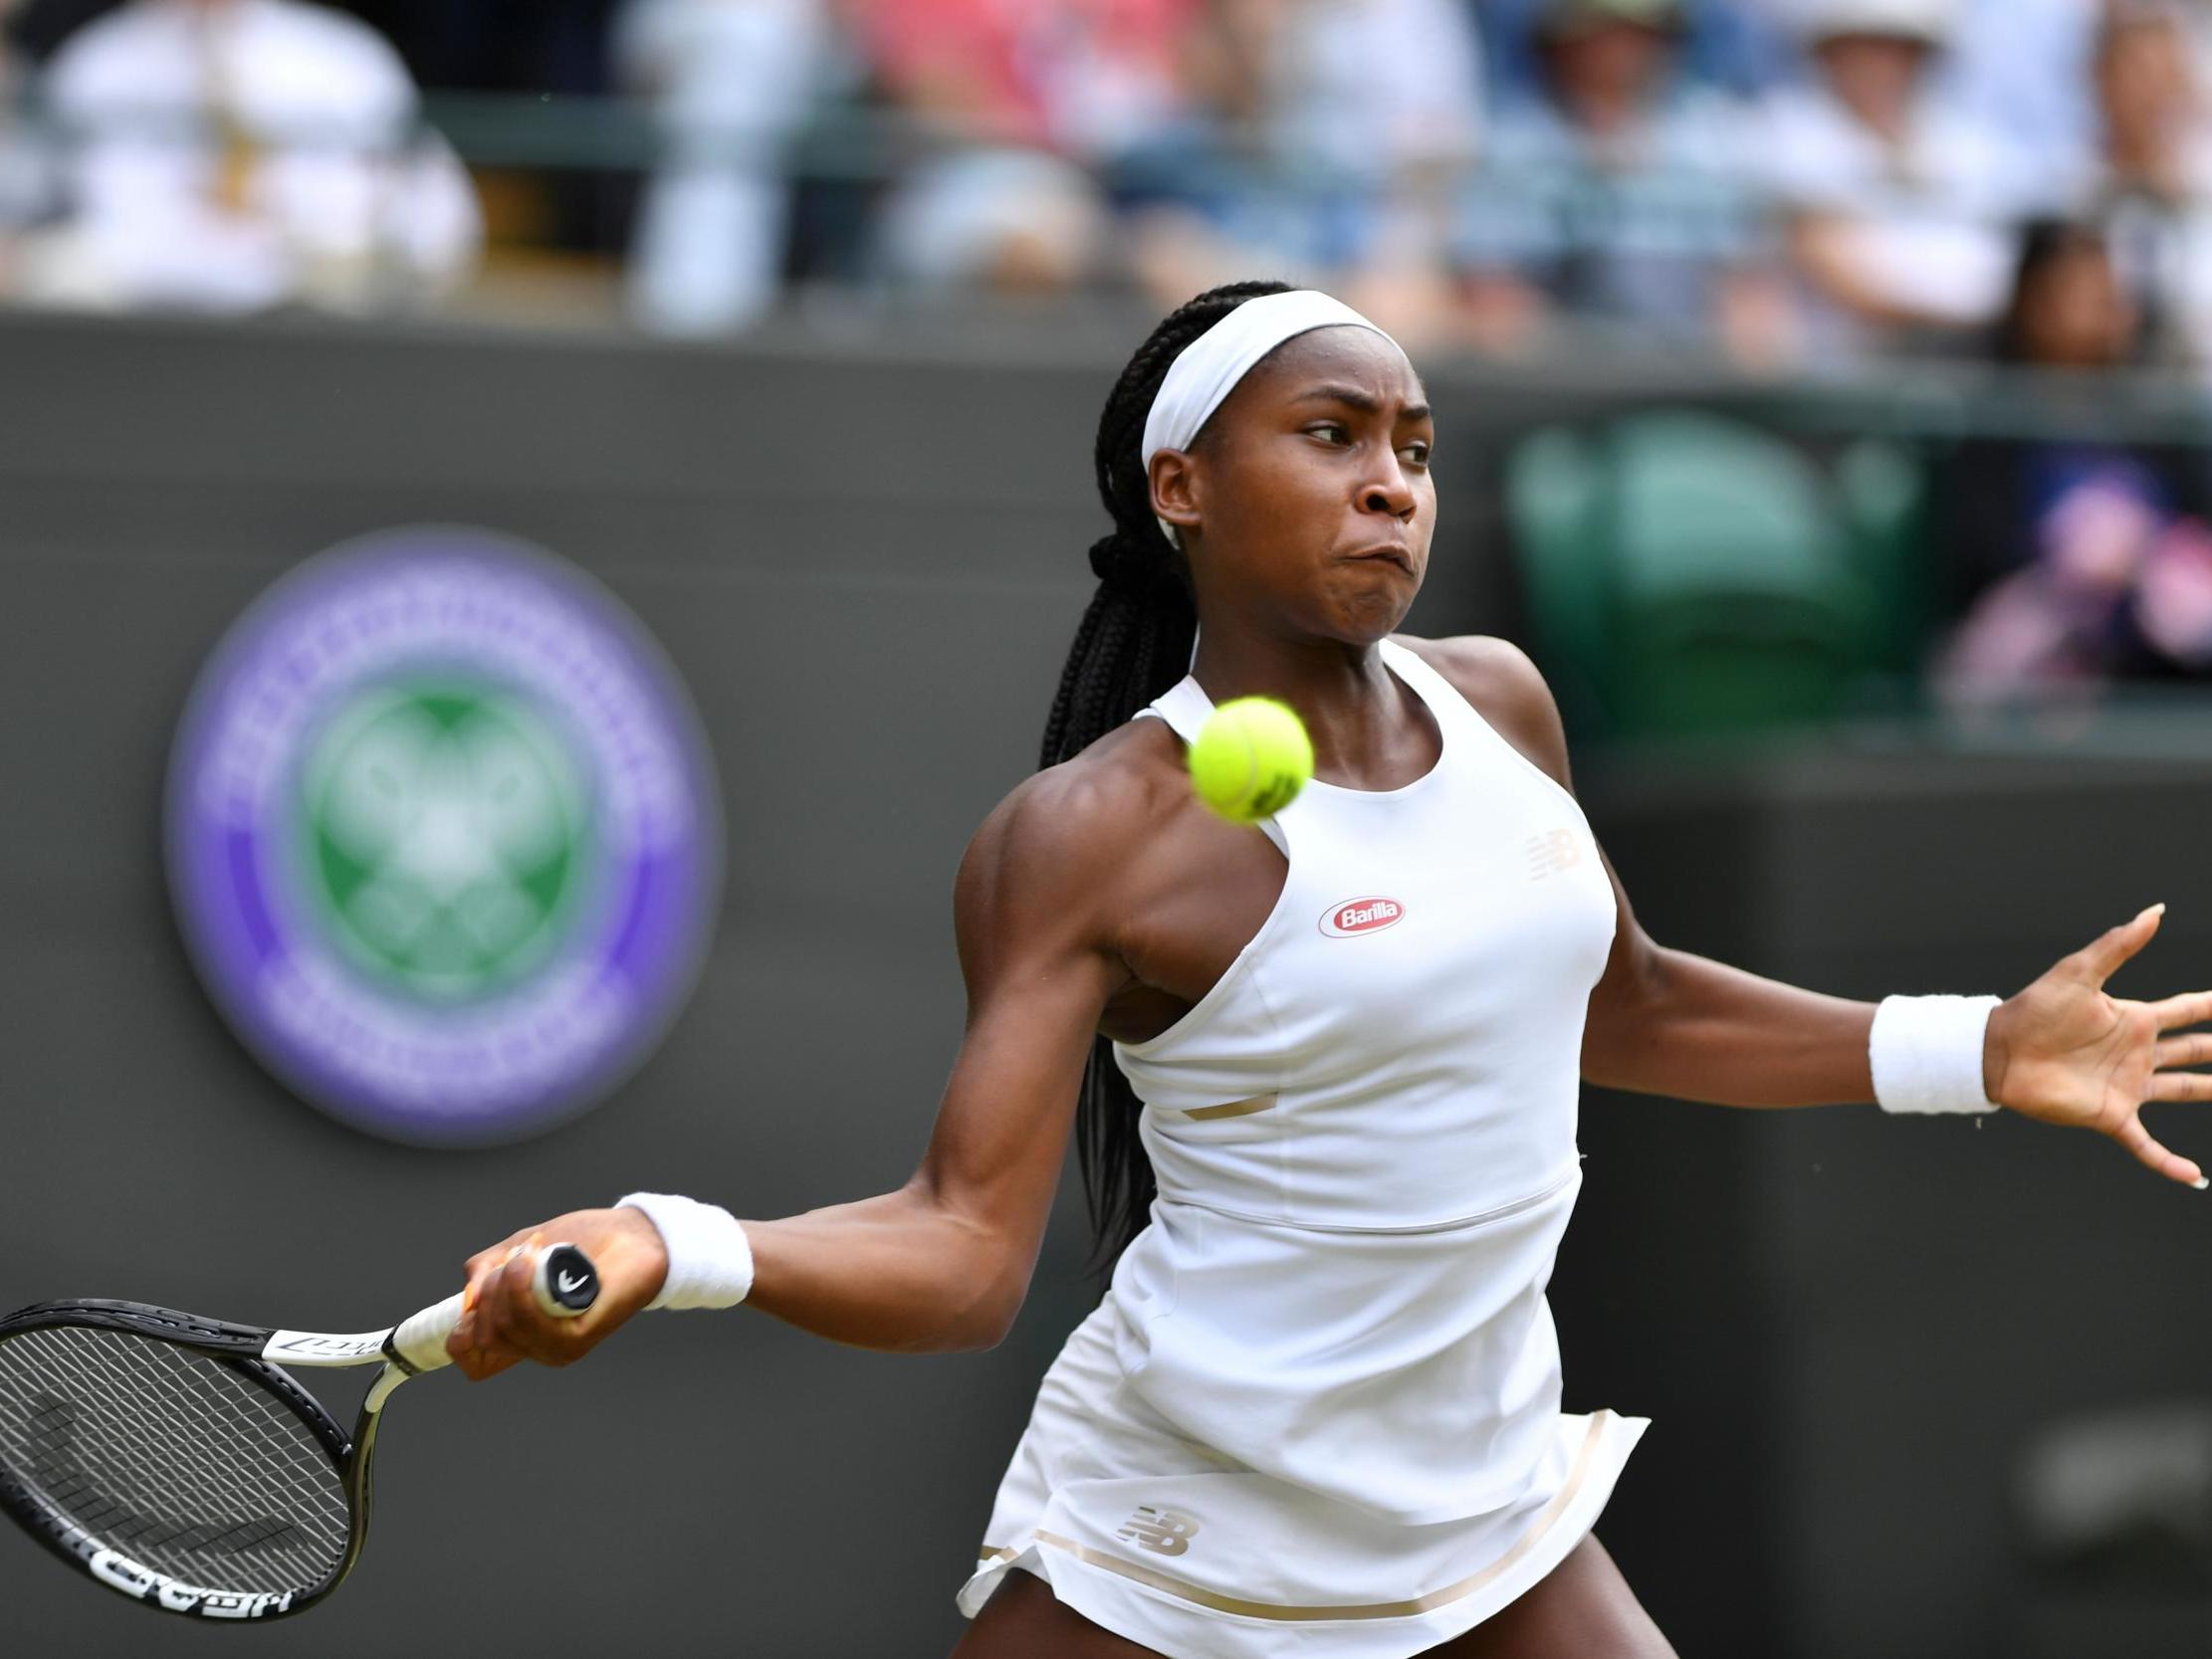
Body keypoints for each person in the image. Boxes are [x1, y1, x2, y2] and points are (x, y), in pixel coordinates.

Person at [442, 282, 2212, 1658]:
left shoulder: (1502, 700)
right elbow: (962, 1253)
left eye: (1416, 447)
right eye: (1333, 432)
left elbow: (1632, 1004)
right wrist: (680, 1243)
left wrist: (1975, 1045)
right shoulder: (1086, 834)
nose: (1389, 480)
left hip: (1484, 1505)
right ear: (1182, 486)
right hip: (1180, 1528)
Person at [19, 0, 480, 313]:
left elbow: (437, 225)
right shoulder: (98, 62)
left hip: (316, 339)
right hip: (145, 342)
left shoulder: (343, 57)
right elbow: (74, 230)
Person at [1936, 218, 2212, 709]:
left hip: (2155, 675)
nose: (2106, 315)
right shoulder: (1984, 424)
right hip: (2030, 685)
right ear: (2031, 304)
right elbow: (1978, 560)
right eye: (2082, 296)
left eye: (2111, 296)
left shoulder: (2159, 420)